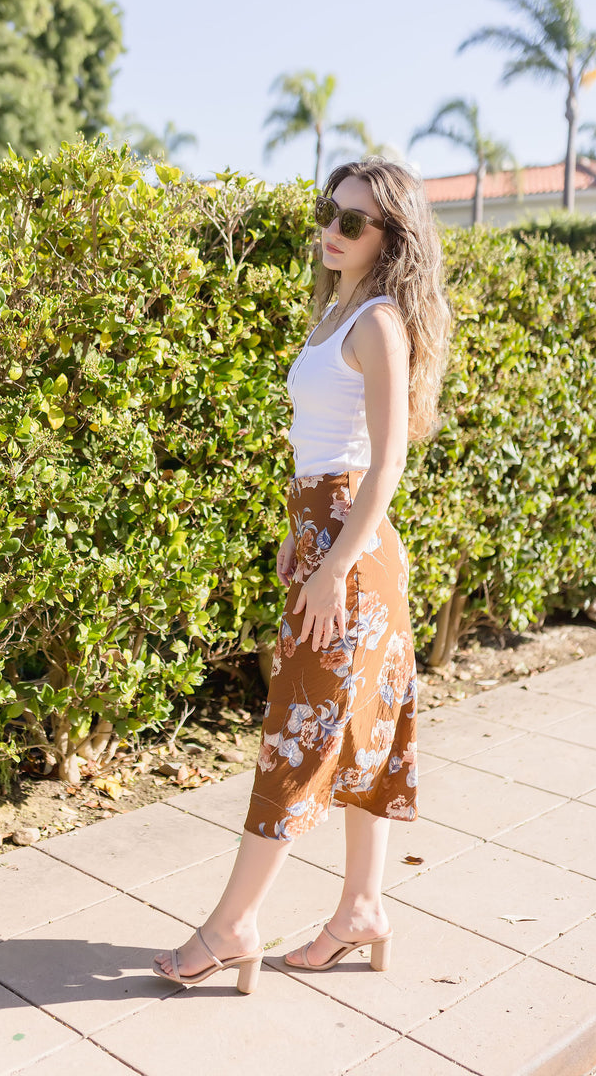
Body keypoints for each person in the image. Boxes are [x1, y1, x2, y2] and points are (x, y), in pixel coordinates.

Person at [152, 157, 450, 992]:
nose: (332, 227)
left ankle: (234, 924)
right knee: (361, 735)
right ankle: (363, 908)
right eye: (331, 210)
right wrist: (300, 536)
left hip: (353, 555)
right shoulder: (339, 313)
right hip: (327, 535)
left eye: (353, 220)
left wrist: (332, 568)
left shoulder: (380, 323)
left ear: (390, 239)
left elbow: (385, 463)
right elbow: (329, 450)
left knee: (299, 736)